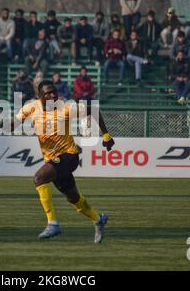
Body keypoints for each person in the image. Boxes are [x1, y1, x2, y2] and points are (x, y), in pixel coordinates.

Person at [9, 80, 114, 242]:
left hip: (69, 156)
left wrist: (106, 135)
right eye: (48, 93)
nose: (52, 95)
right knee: (74, 199)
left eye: (54, 92)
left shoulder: (65, 108)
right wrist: (5, 124)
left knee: (39, 178)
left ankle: (53, 224)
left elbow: (93, 109)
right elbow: (13, 124)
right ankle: (98, 219)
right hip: (54, 159)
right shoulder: (31, 108)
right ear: (39, 97)